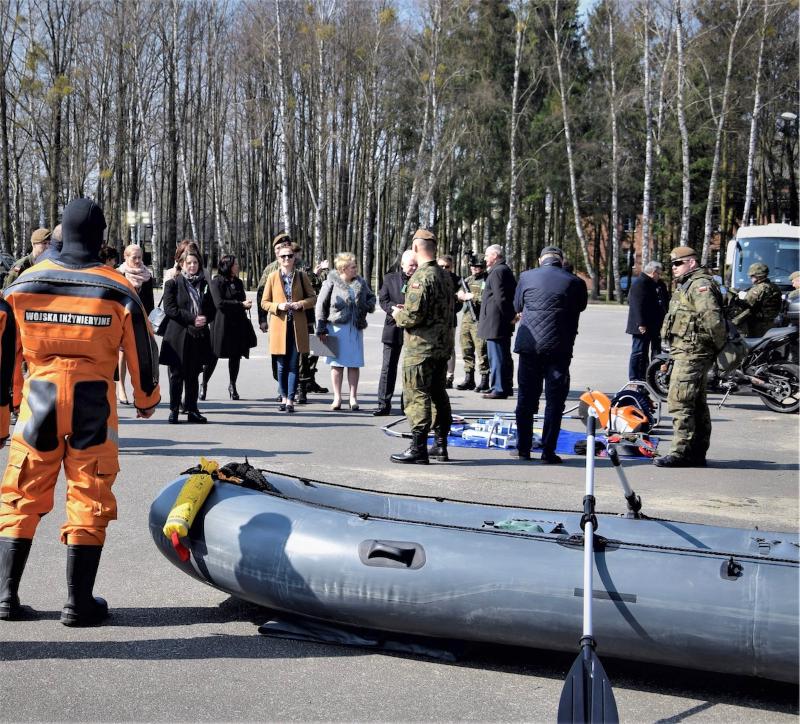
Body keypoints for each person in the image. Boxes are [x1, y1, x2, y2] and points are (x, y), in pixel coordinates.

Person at [0, 197, 159, 626]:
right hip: (94, 404)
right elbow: (143, 349)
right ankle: (78, 602)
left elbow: (3, 355)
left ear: (61, 234)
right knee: (90, 494)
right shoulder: (117, 288)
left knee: (21, 492)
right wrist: (145, 399)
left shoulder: (23, 285)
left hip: (39, 402)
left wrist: (4, 414)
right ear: (100, 237)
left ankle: (5, 596)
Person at [513, 246, 587, 464]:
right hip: (559, 347)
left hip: (530, 347)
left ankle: (523, 448)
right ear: (560, 261)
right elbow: (580, 306)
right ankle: (548, 451)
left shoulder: (526, 277)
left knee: (526, 398)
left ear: (540, 260)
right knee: (555, 401)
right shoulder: (574, 282)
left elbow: (517, 305)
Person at [655, 246, 726, 468]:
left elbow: (712, 319)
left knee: (680, 400)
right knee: (695, 401)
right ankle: (696, 451)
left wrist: (718, 348)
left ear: (692, 262)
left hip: (693, 352)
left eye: (678, 263)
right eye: (672, 264)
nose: (674, 268)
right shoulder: (688, 284)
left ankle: (680, 452)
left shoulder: (699, 285)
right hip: (686, 351)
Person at [390, 229, 454, 464]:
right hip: (441, 346)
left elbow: (413, 316)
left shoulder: (421, 277)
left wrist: (398, 314)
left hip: (421, 348)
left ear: (416, 248)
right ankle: (440, 445)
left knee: (417, 395)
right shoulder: (445, 276)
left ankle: (418, 448)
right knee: (438, 394)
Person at [159, 246, 215, 424]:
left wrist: (205, 318)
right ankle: (174, 410)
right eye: (189, 263)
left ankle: (192, 410)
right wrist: (192, 319)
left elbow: (212, 307)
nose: (192, 266)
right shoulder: (173, 283)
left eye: (195, 263)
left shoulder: (204, 284)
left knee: (193, 375)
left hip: (198, 336)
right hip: (178, 336)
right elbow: (170, 309)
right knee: (176, 375)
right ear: (182, 264)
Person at [315, 252, 376, 411]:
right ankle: (337, 397)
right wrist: (320, 326)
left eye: (355, 266)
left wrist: (367, 306)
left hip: (355, 328)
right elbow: (320, 304)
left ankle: (353, 398)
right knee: (336, 365)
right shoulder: (331, 282)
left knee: (354, 364)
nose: (356, 269)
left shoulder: (360, 282)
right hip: (335, 328)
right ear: (343, 269)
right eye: (353, 267)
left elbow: (371, 297)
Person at [261, 242, 316, 412]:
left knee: (293, 364)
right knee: (281, 365)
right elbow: (264, 302)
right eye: (283, 256)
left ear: (294, 258)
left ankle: (290, 399)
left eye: (289, 256)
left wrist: (301, 304)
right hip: (279, 327)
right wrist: (278, 306)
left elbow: (313, 298)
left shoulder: (301, 276)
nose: (286, 259)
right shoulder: (272, 277)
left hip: (296, 326)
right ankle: (283, 396)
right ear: (278, 258)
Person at [204, 254, 257, 400]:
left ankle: (232, 385)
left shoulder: (238, 282)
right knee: (214, 355)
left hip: (237, 324)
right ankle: (204, 383)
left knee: (235, 356)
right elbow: (219, 304)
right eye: (235, 264)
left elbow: (242, 299)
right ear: (228, 266)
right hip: (221, 324)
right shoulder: (216, 281)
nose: (238, 266)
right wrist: (240, 304)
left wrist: (246, 304)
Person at [373, 249, 418, 416]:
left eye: (416, 265)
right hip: (393, 327)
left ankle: (407, 405)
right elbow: (383, 300)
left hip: (414, 330)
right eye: (411, 265)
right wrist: (393, 309)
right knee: (388, 367)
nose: (414, 268)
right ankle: (383, 404)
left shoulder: (421, 279)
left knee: (410, 369)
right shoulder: (390, 279)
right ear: (403, 265)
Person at [478, 243, 517, 399]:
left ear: (494, 256)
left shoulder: (498, 271)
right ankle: (504, 387)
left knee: (497, 357)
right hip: (499, 322)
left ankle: (499, 388)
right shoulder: (502, 270)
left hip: (496, 322)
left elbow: (501, 298)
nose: (485, 258)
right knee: (502, 356)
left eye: (487, 255)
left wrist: (510, 316)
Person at [625, 260, 669, 381]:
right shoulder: (640, 283)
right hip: (642, 325)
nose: (660, 276)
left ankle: (651, 376)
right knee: (639, 352)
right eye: (659, 273)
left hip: (655, 324)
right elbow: (636, 305)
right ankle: (635, 378)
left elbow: (665, 301)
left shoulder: (658, 284)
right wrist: (641, 323)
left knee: (656, 351)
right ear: (653, 272)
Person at [455, 254, 490, 392]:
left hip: (479, 318)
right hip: (466, 318)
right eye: (473, 266)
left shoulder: (486, 280)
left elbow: (487, 298)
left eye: (478, 266)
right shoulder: (468, 280)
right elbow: (460, 293)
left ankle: (485, 379)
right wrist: (460, 295)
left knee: (482, 350)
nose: (475, 268)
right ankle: (469, 378)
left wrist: (473, 297)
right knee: (466, 349)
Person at [732, 263, 783, 337]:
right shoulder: (774, 286)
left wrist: (736, 299)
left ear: (758, 276)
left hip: (758, 325)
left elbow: (746, 306)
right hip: (771, 322)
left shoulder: (758, 289)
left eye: (751, 276)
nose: (750, 278)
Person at [436, 254, 462, 388]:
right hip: (434, 320)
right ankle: (437, 375)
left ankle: (449, 376)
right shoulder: (433, 277)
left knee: (449, 348)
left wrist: (449, 310)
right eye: (441, 266)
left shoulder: (457, 281)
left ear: (452, 267)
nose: (444, 269)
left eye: (447, 267)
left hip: (450, 320)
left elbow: (460, 303)